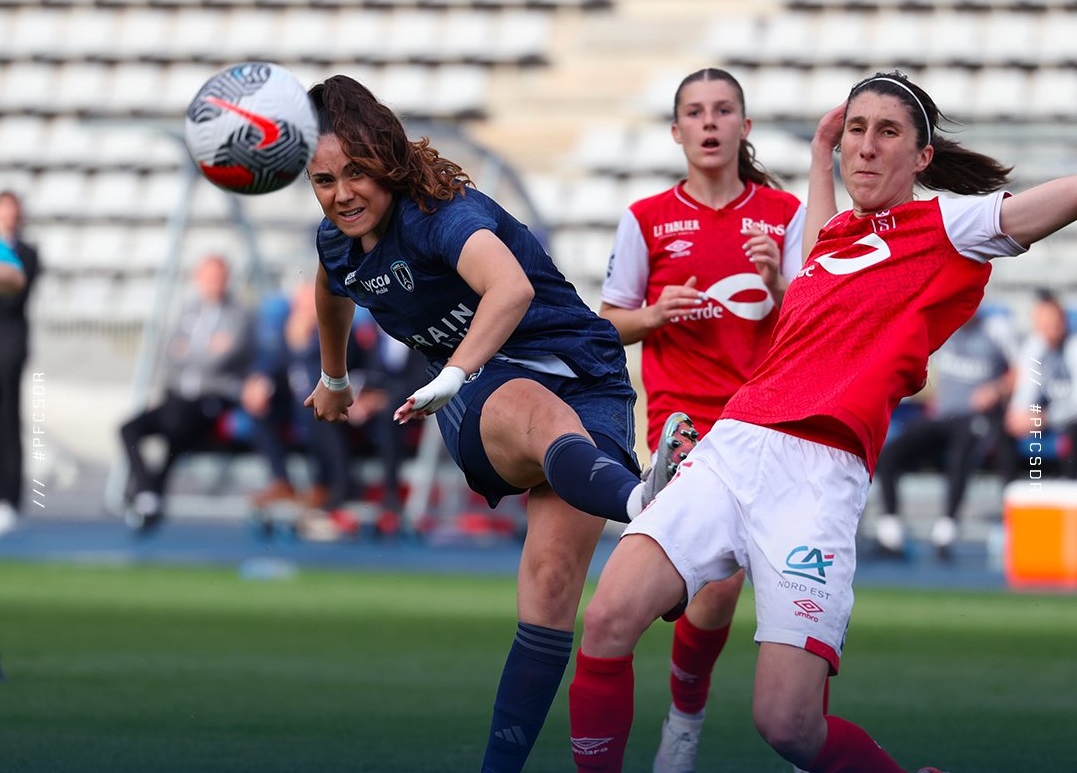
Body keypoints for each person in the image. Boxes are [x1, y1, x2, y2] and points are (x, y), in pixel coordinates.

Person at [566, 69, 1075, 773]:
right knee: (606, 619)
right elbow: (813, 242)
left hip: (817, 476)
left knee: (788, 724)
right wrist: (817, 152)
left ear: (921, 158)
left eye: (887, 132)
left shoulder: (943, 227)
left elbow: (1031, 210)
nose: (865, 147)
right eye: (855, 131)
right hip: (733, 444)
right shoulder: (831, 236)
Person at [301, 74, 696, 773]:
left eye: (356, 172)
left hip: (586, 375)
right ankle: (647, 504)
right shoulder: (336, 242)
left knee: (548, 585)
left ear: (387, 162)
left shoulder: (439, 213)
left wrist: (444, 372)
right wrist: (334, 378)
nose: (341, 194)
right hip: (482, 389)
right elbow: (331, 290)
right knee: (523, 403)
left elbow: (508, 288)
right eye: (324, 179)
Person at [598, 68, 808, 772]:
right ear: (677, 130)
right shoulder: (646, 217)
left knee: (719, 590)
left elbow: (817, 325)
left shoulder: (784, 215)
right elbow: (607, 326)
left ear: (744, 127)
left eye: (723, 110)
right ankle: (682, 724)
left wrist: (778, 286)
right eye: (695, 111)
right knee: (702, 582)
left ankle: (683, 711)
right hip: (680, 421)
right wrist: (653, 315)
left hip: (764, 421)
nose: (710, 122)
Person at [119, 253, 254, 533]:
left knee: (177, 425)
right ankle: (146, 488)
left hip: (212, 398)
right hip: (178, 396)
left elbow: (221, 359)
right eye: (208, 277)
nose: (213, 283)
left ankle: (148, 494)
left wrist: (191, 352)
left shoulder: (237, 315)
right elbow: (169, 355)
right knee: (129, 428)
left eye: (218, 277)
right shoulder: (189, 311)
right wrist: (201, 352)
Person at [873, 306, 1018, 560]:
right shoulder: (944, 325)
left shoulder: (996, 330)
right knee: (890, 454)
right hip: (942, 416)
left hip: (976, 417)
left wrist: (996, 389)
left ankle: (945, 532)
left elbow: (1024, 370)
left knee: (962, 454)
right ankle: (891, 534)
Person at [0, 190, 40, 534]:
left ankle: (9, 498)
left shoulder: (26, 253)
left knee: (7, 421)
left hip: (8, 348)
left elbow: (13, 292)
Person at [1004, 288, 1077, 477]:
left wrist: (1044, 419)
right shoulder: (1035, 346)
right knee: (1002, 430)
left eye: (1053, 322)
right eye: (1043, 323)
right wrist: (1019, 415)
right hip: (1044, 417)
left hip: (1066, 419)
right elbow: (1026, 389)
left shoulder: (1073, 347)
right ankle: (1012, 495)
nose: (1049, 328)